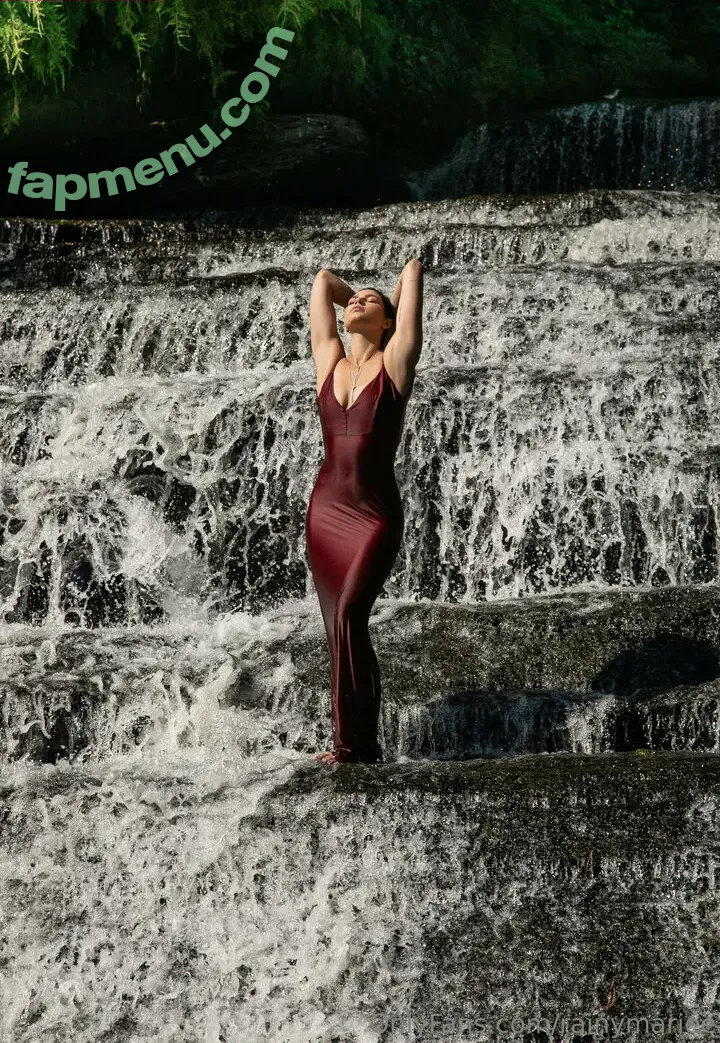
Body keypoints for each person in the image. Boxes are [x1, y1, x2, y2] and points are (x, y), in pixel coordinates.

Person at [305, 259, 423, 764]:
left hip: (373, 515)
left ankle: (357, 742)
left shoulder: (396, 360)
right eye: (354, 300)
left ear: (389, 321)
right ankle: (353, 743)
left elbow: (413, 272)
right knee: (338, 626)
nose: (355, 301)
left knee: (351, 611)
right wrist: (360, 298)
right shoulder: (329, 360)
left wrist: (391, 297)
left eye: (369, 302)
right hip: (325, 512)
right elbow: (324, 282)